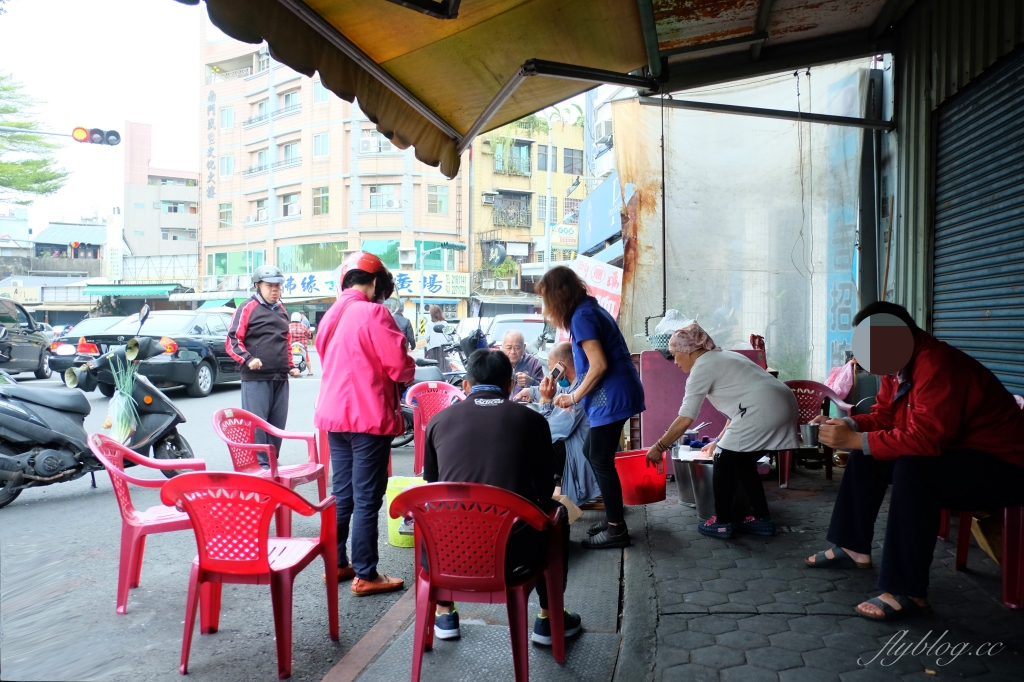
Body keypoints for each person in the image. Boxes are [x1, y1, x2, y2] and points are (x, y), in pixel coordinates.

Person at [806, 301, 1024, 621]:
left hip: (1006, 467)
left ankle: (907, 591)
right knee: (867, 456)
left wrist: (854, 439)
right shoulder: (899, 367)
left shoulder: (938, 365)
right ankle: (852, 549)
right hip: (961, 455)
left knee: (914, 469)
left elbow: (926, 440)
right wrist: (849, 427)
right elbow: (884, 416)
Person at [423, 349, 582, 645]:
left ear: (466, 386)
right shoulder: (531, 420)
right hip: (514, 555)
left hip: (448, 555)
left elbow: (432, 485)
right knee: (557, 516)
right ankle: (548, 618)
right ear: (510, 386)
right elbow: (544, 490)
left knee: (431, 518)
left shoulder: (438, 421)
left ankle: (444, 612)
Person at [314, 251, 415, 596]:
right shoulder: (374, 312)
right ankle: (366, 573)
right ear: (373, 283)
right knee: (368, 496)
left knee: (341, 494)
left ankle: (339, 563)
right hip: (367, 417)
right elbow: (399, 367)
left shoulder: (330, 315)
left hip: (334, 417)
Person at [645, 324, 799, 539]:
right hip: (784, 403)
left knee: (723, 460)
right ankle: (762, 520)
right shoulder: (725, 356)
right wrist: (719, 439)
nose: (675, 362)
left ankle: (722, 522)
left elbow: (686, 418)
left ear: (687, 349)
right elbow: (737, 409)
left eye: (675, 355)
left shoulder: (702, 367)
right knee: (743, 463)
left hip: (762, 408)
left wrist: (659, 446)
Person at [536, 266, 646, 549]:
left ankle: (616, 529)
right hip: (613, 393)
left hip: (612, 395)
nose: (546, 308)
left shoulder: (582, 316)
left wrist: (573, 397)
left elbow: (598, 365)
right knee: (593, 452)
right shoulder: (587, 310)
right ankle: (612, 519)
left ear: (559, 295)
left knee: (598, 456)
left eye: (547, 299)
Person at [227, 265, 301, 466]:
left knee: (277, 426)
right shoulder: (247, 307)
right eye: (270, 286)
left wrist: (291, 365)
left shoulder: (282, 309)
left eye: (278, 286)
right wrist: (248, 359)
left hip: (280, 378)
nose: (275, 290)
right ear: (258, 286)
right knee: (257, 425)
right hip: (256, 378)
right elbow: (232, 340)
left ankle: (271, 463)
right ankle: (260, 467)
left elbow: (285, 340)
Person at [515, 342, 600, 506]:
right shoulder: (579, 383)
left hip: (581, 459)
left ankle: (540, 498)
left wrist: (546, 401)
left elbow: (546, 430)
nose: (550, 369)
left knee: (533, 446)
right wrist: (532, 391)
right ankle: (553, 486)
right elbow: (561, 393)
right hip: (580, 448)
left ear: (560, 366)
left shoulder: (578, 396)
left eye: (550, 365)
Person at [424, 305, 449, 371]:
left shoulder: (429, 324)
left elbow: (426, 337)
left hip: (432, 348)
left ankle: (433, 380)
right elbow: (448, 336)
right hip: (443, 349)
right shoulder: (445, 323)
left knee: (432, 367)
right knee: (444, 367)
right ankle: (445, 379)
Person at [288, 311, 313, 376]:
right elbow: (309, 335)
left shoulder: (288, 326)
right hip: (302, 346)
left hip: (291, 346)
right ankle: (310, 371)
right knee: (306, 357)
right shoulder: (303, 326)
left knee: (286, 357)